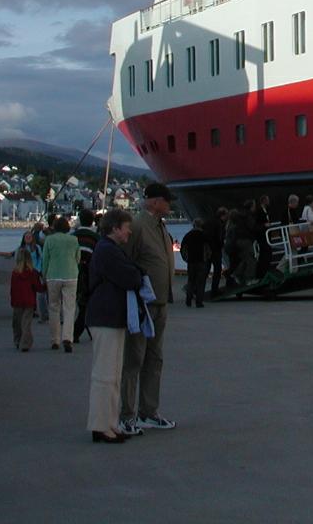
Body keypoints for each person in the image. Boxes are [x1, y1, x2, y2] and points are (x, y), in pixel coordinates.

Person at [119, 184, 178, 435]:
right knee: (134, 358)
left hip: (161, 303)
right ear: (154, 202)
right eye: (166, 201)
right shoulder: (138, 226)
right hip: (143, 303)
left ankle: (148, 412)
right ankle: (126, 415)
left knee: (155, 359)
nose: (170, 205)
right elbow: (125, 260)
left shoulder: (161, 226)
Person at [86, 208, 142, 443]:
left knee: (112, 374)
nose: (129, 231)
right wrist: (137, 274)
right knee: (105, 374)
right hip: (106, 318)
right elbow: (132, 277)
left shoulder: (108, 249)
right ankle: (101, 425)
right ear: (115, 228)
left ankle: (109, 422)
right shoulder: (108, 251)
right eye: (127, 227)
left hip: (112, 318)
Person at [42, 216, 81, 353]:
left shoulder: (49, 240)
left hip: (53, 275)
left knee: (53, 308)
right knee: (69, 308)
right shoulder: (74, 240)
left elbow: (45, 259)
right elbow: (78, 258)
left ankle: (55, 340)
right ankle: (67, 338)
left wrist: (43, 274)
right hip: (71, 275)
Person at [9, 247, 45, 352]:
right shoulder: (33, 272)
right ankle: (25, 343)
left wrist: (12, 300)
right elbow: (37, 287)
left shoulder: (15, 273)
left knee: (17, 323)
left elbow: (13, 289)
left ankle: (17, 340)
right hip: (29, 301)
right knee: (26, 323)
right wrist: (46, 286)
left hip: (17, 301)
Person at [74, 208, 99, 343]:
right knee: (87, 305)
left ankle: (79, 331)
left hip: (75, 272)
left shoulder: (73, 236)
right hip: (90, 274)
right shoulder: (96, 238)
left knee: (81, 304)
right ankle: (79, 331)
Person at [180, 219, 210, 308]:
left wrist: (186, 258)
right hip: (201, 260)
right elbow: (208, 248)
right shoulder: (204, 235)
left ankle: (188, 300)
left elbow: (183, 248)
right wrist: (207, 257)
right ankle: (199, 302)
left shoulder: (188, 235)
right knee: (201, 282)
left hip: (191, 261)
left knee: (191, 280)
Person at [205, 206, 227, 298]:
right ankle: (215, 290)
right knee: (217, 270)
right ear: (223, 215)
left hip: (208, 248)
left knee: (206, 269)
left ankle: (197, 288)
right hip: (216, 249)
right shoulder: (219, 224)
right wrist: (222, 244)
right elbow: (219, 237)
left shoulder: (209, 221)